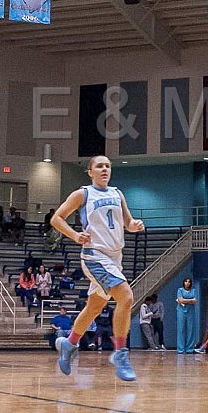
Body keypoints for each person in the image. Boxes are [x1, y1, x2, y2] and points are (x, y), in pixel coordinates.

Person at [49, 155, 145, 382]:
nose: (104, 169)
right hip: (95, 255)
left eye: (108, 166)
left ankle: (69, 343)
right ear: (90, 171)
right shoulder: (82, 193)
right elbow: (57, 218)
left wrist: (134, 225)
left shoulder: (117, 193)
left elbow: (127, 223)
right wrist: (74, 235)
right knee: (126, 297)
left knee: (93, 308)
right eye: (99, 166)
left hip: (115, 257)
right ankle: (120, 353)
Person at [175, 278, 197, 354]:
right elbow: (180, 300)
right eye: (186, 281)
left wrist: (185, 300)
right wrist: (190, 300)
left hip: (190, 312)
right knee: (181, 329)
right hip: (181, 311)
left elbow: (195, 301)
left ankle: (189, 348)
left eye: (189, 282)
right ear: (183, 282)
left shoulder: (193, 290)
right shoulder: (180, 290)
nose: (187, 283)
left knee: (190, 329)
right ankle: (181, 349)